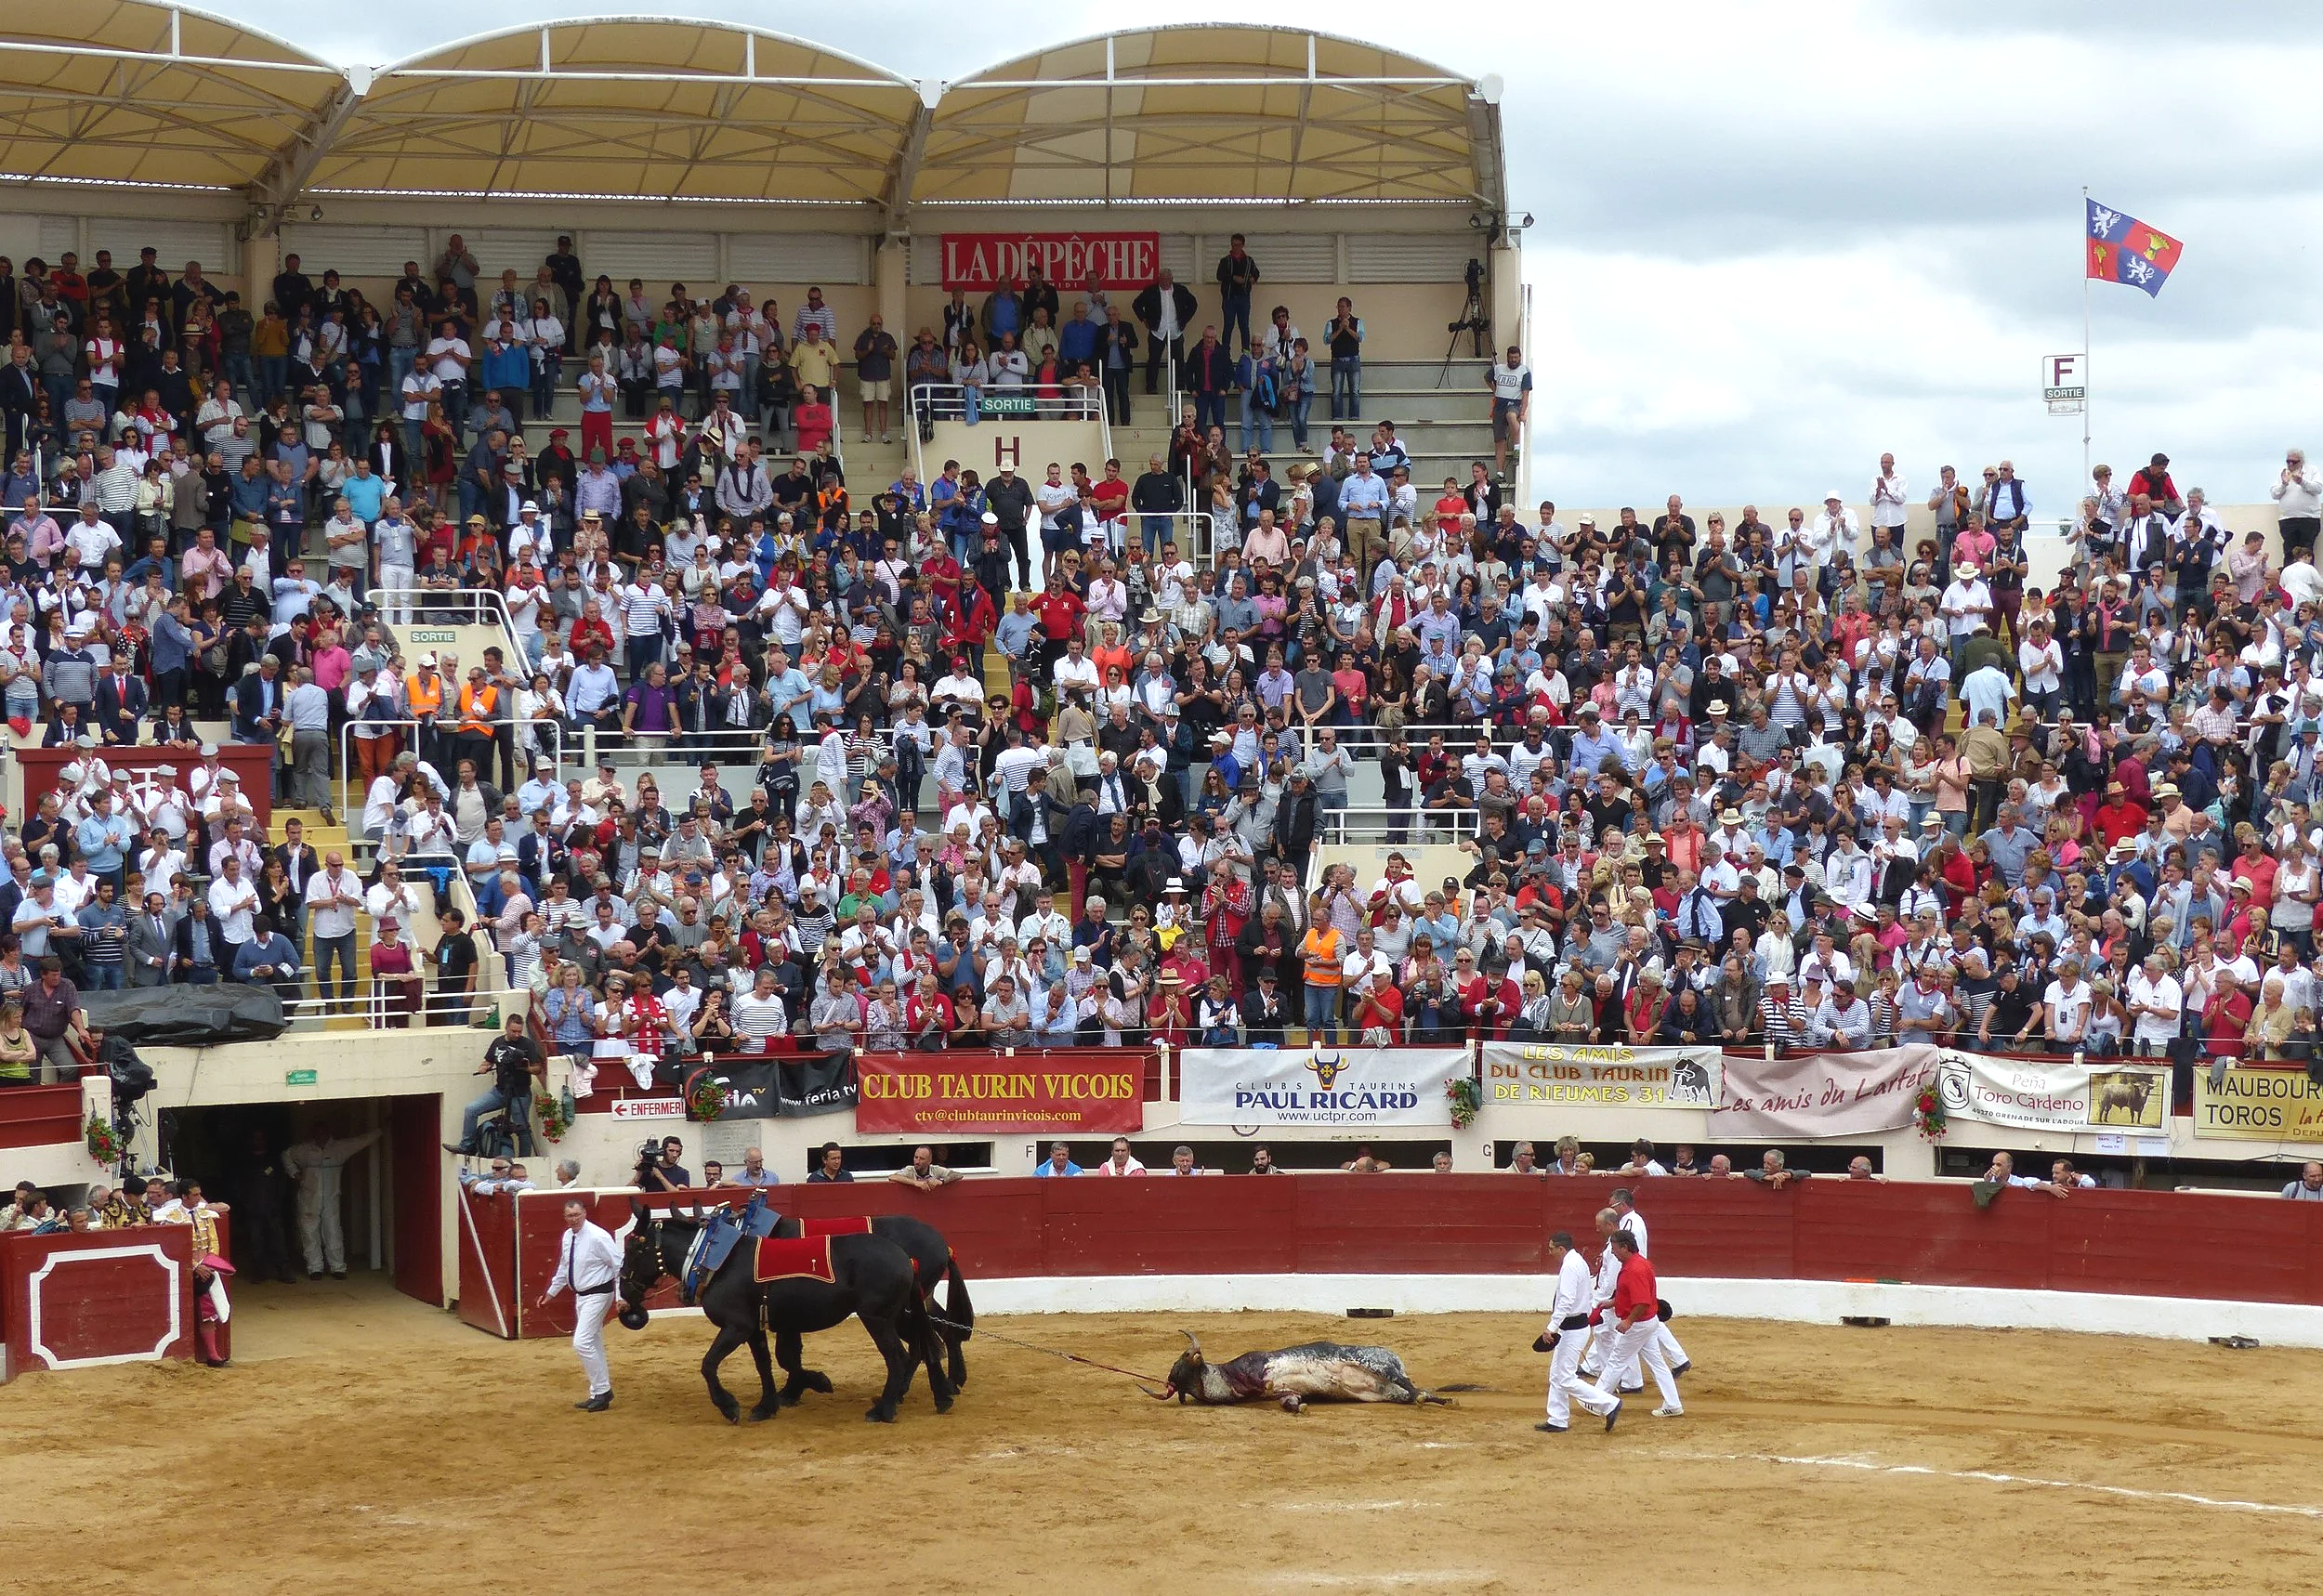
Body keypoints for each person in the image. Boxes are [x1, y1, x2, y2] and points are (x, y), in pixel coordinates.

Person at [539, 1196, 621, 1411]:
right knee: (592, 1341)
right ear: (564, 1217)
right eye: (569, 1216)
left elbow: (618, 1265)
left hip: (599, 1294)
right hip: (581, 1295)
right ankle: (598, 1391)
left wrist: (621, 1297)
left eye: (577, 1215)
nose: (573, 1219)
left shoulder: (598, 1237)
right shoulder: (568, 1236)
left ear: (584, 1213)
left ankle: (603, 1390)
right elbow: (564, 1268)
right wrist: (550, 1293)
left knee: (582, 1342)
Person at [1536, 1229, 1621, 1433]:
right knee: (1557, 1375)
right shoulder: (1577, 1262)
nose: (1550, 1253)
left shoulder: (1570, 1266)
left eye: (1551, 1249)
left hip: (1572, 1329)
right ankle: (1558, 1419)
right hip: (1574, 1327)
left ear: (1561, 1248)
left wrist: (1551, 1327)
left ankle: (1608, 1403)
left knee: (1564, 1377)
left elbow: (1566, 1301)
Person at [1590, 1230, 1682, 1419]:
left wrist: (1628, 1321)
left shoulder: (1634, 1269)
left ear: (1625, 1247)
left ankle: (1595, 1401)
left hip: (1638, 1323)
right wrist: (1613, 1302)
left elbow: (1642, 1302)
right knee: (1657, 1363)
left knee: (1617, 1360)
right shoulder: (1639, 1263)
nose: (1613, 1253)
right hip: (1646, 1322)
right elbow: (1631, 1294)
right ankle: (1673, 1403)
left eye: (1615, 1248)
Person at [281, 1121, 382, 1279]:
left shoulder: (339, 1148)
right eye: (317, 1133)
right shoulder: (304, 1150)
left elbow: (361, 1141)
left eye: (323, 1132)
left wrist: (381, 1129)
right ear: (313, 1134)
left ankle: (338, 1267)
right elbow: (286, 1155)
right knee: (309, 1233)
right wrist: (295, 1174)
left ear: (328, 1133)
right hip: (308, 1199)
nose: (320, 1136)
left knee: (333, 1231)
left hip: (331, 1198)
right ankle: (314, 1268)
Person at [449, 1012, 544, 1156]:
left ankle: (524, 1160)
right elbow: (487, 1061)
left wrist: (527, 1068)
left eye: (519, 1031)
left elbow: (538, 1068)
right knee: (471, 1109)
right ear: (506, 1028)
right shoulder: (498, 1042)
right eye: (514, 1031)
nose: (517, 1034)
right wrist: (483, 1068)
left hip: (521, 1091)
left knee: (522, 1128)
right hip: (500, 1091)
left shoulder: (527, 1044)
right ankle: (467, 1145)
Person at [888, 1145, 962, 1189]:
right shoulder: (910, 1170)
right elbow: (892, 1177)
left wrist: (941, 1182)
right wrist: (915, 1183)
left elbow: (958, 1175)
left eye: (922, 1159)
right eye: (916, 1157)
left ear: (929, 1161)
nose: (917, 1161)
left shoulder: (935, 1169)